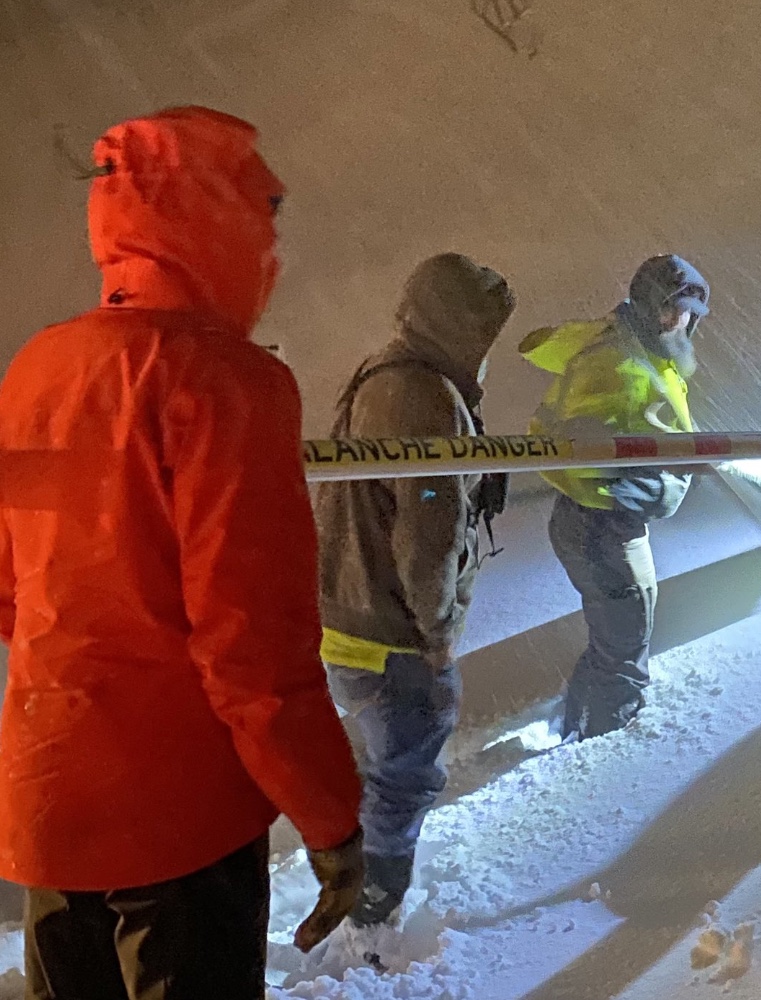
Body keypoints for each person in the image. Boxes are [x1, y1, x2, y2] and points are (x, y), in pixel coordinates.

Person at [0, 107, 363, 998]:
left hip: (51, 794)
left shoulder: (39, 366)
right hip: (180, 821)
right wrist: (332, 821)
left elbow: (11, 589)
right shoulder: (231, 383)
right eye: (262, 215)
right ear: (217, 224)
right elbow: (252, 644)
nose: (273, 242)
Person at [315, 252, 514, 927]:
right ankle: (375, 905)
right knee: (407, 765)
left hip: (346, 610)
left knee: (381, 757)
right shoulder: (426, 395)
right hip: (390, 625)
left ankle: (358, 874)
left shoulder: (380, 372)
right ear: (460, 325)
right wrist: (437, 633)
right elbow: (429, 530)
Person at [520, 254, 709, 742]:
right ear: (648, 306)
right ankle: (606, 748)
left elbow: (639, 429)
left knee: (616, 637)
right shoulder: (617, 364)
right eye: (671, 309)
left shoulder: (643, 351)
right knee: (625, 643)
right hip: (601, 526)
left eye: (687, 312)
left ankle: (576, 723)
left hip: (600, 523)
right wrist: (656, 481)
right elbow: (587, 454)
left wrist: (674, 458)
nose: (680, 321)